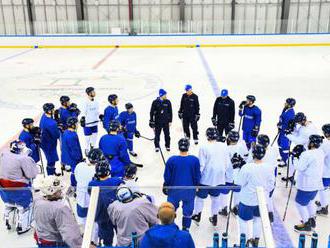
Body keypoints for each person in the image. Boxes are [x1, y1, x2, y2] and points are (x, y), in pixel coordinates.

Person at [236, 144, 275, 246]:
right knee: (257, 219)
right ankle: (256, 240)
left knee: (243, 221)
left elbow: (239, 182)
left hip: (247, 200)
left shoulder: (247, 167)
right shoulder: (269, 167)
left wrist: (237, 170)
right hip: (262, 200)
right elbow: (271, 184)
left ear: (252, 154)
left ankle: (244, 241)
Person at [192, 128, 230, 227]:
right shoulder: (223, 146)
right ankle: (214, 216)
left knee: (200, 198)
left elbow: (201, 165)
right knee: (215, 198)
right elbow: (227, 162)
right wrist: (227, 177)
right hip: (219, 178)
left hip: (206, 178)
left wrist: (196, 180)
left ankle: (197, 215)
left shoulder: (204, 147)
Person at [0, 141, 39, 234]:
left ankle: (7, 220)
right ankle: (22, 226)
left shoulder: (3, 154)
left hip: (4, 191)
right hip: (21, 192)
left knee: (9, 203)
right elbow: (31, 174)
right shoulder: (24, 159)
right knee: (26, 206)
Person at [33, 176, 83, 248]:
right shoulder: (60, 208)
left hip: (41, 240)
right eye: (59, 190)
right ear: (53, 192)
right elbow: (70, 234)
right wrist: (81, 245)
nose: (61, 192)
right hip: (55, 243)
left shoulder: (37, 200)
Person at [163, 138, 200, 231]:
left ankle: (170, 227)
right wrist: (197, 186)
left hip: (174, 191)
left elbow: (167, 176)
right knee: (188, 211)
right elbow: (197, 176)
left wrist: (166, 185)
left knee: (170, 210)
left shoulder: (171, 160)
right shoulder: (194, 160)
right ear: (188, 147)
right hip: (189, 191)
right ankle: (186, 228)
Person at [293, 135, 324, 232]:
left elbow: (300, 167)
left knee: (299, 204)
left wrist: (295, 158)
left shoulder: (307, 154)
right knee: (310, 202)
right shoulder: (320, 152)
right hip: (316, 184)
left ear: (312, 143)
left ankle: (306, 224)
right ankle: (312, 218)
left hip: (306, 185)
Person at [88, 160, 123, 247]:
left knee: (107, 241)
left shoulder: (91, 184)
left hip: (102, 215)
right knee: (122, 236)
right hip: (116, 214)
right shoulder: (117, 181)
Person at [218, 130, 248, 216]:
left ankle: (224, 208)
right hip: (239, 174)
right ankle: (236, 207)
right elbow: (246, 158)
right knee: (237, 191)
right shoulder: (242, 146)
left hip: (228, 175)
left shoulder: (225, 149)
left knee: (224, 192)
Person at [284, 112, 318, 182]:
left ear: (302, 120)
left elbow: (299, 141)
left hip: (307, 150)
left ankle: (296, 178)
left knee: (298, 165)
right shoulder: (304, 125)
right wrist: (292, 130)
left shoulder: (309, 130)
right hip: (303, 147)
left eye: (298, 122)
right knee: (290, 160)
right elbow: (298, 134)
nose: (298, 124)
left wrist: (288, 135)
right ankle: (290, 176)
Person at [75, 149, 104, 228]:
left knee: (81, 220)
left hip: (81, 196)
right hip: (93, 197)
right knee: (94, 221)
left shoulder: (79, 165)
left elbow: (76, 178)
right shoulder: (97, 170)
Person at [39, 103, 61, 176]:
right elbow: (57, 135)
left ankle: (52, 172)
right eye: (52, 109)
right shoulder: (51, 123)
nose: (53, 110)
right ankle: (50, 175)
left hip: (45, 141)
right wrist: (58, 127)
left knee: (51, 158)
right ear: (48, 111)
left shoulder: (44, 116)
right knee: (51, 159)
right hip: (49, 144)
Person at [61, 117, 83, 185]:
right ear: (73, 125)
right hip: (72, 158)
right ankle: (74, 185)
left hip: (67, 156)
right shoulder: (72, 135)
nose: (77, 125)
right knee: (74, 172)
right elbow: (74, 150)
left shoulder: (65, 132)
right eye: (76, 123)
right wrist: (79, 158)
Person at [80, 87, 100, 155]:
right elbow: (83, 112)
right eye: (93, 92)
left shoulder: (96, 101)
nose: (94, 93)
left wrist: (100, 116)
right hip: (88, 123)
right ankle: (87, 148)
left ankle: (92, 147)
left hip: (95, 122)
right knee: (87, 138)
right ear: (89, 93)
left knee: (95, 136)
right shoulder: (85, 102)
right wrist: (82, 119)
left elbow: (97, 111)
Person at [277, 98, 296, 167]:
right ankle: (283, 158)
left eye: (286, 103)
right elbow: (282, 119)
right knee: (279, 143)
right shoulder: (285, 110)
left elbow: (289, 125)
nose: (285, 103)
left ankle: (285, 160)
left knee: (284, 146)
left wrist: (282, 127)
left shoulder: (291, 113)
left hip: (286, 133)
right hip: (282, 132)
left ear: (290, 105)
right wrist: (279, 124)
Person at [317, 124, 330, 215]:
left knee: (323, 189)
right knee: (325, 189)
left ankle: (324, 207)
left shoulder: (326, 144)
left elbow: (320, 155)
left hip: (326, 171)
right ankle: (323, 203)